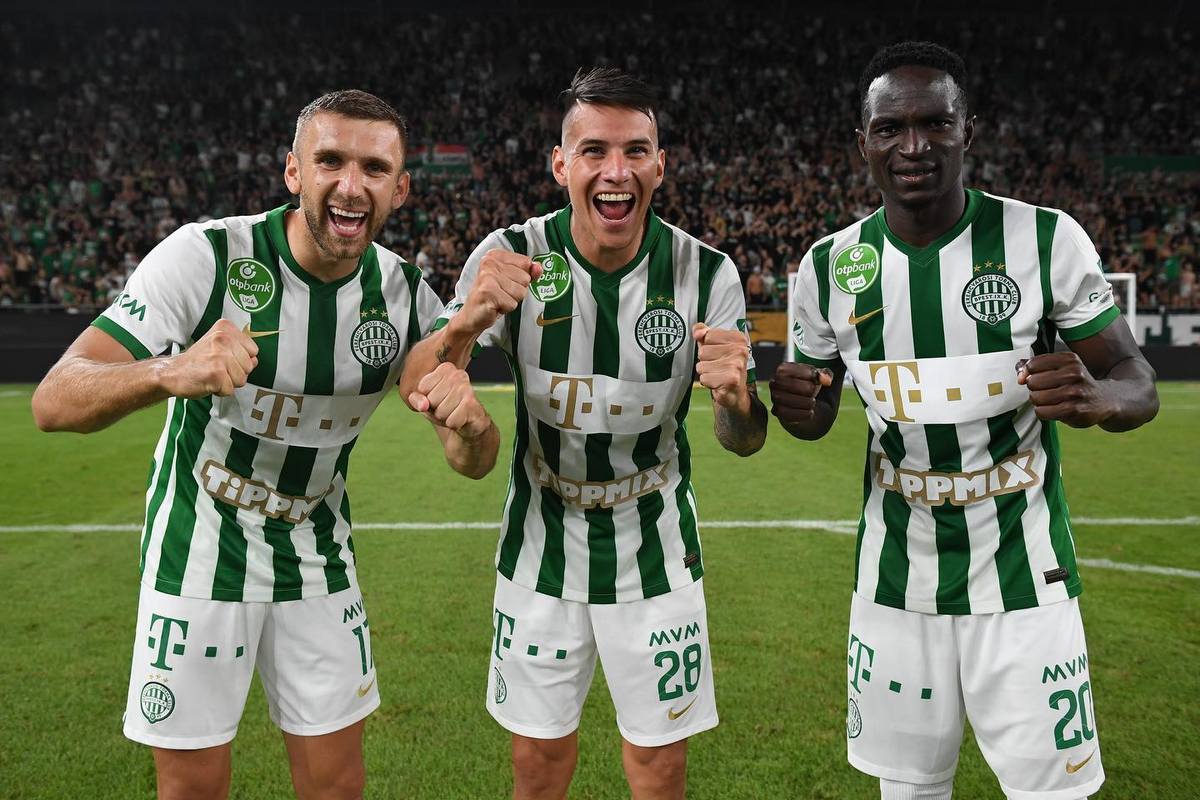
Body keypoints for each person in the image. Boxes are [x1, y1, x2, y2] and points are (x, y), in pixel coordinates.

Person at [31, 90, 497, 800]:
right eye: (330, 161)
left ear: (400, 189)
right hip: (198, 546)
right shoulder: (207, 256)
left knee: (337, 788)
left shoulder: (406, 297)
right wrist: (168, 371)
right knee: (191, 790)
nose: (351, 185)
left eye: (374, 168)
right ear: (293, 172)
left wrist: (474, 429)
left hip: (317, 553)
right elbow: (54, 398)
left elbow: (471, 462)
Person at [770, 42, 1158, 800]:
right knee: (909, 790)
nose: (913, 146)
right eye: (891, 128)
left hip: (1025, 570)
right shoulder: (828, 267)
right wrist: (800, 409)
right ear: (863, 142)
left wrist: (1099, 398)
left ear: (966, 131)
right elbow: (816, 411)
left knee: (1053, 792)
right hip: (895, 576)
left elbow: (1135, 379)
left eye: (935, 123)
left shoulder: (1044, 240)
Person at [399, 67, 767, 800]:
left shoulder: (707, 274)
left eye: (636, 151)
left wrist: (737, 398)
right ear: (561, 165)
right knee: (538, 764)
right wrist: (467, 321)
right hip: (541, 537)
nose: (616, 170)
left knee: (659, 765)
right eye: (594, 150)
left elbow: (743, 438)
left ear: (660, 165)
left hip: (656, 542)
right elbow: (417, 378)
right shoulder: (510, 255)